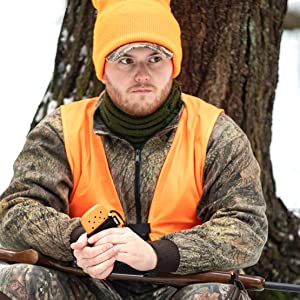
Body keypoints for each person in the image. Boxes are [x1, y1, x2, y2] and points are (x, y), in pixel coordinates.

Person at [0, 0, 268, 299]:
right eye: (126, 60)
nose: (142, 74)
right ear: (103, 69)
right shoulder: (62, 130)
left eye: (155, 58)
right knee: (20, 279)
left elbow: (247, 228)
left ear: (173, 64)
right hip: (87, 283)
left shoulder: (215, 132)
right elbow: (15, 212)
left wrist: (158, 254)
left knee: (217, 294)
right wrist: (81, 239)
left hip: (178, 286)